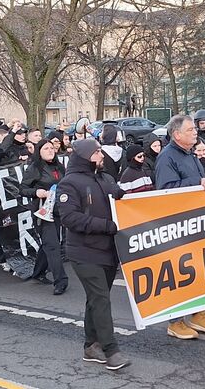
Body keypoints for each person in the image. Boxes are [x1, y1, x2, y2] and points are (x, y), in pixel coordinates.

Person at [56, 138, 129, 371]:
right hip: (84, 253)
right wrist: (106, 226)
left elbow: (119, 199)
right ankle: (111, 350)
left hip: (107, 251)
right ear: (86, 156)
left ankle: (90, 345)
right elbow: (70, 218)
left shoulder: (105, 178)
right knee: (101, 299)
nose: (102, 155)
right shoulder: (70, 183)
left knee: (95, 299)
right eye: (98, 152)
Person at [154, 115, 205, 339]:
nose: (196, 132)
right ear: (177, 135)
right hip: (178, 223)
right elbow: (165, 189)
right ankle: (175, 321)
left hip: (196, 221)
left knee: (201, 269)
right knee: (181, 273)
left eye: (195, 128)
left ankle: (199, 314)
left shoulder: (190, 155)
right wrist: (195, 183)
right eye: (191, 129)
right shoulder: (167, 158)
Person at [21, 139, 68, 295]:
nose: (50, 150)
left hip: (58, 210)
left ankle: (38, 272)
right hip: (42, 212)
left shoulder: (59, 167)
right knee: (53, 245)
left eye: (51, 148)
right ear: (39, 151)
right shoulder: (35, 168)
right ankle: (61, 281)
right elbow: (22, 189)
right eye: (46, 148)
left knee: (48, 244)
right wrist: (37, 193)